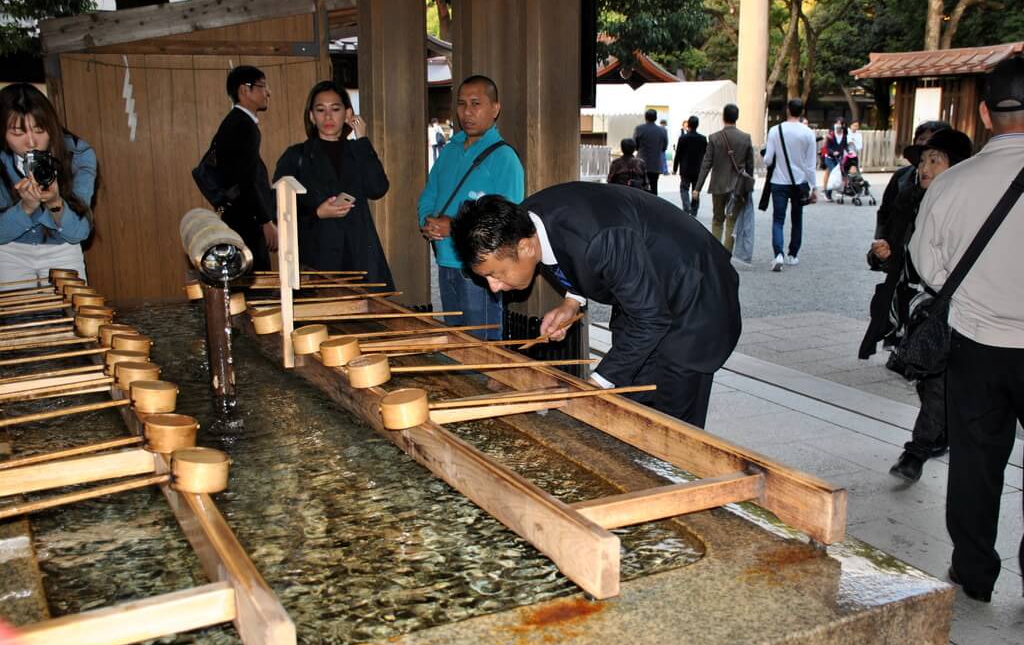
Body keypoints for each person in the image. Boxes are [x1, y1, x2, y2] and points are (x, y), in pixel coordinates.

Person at [450, 182, 741, 428]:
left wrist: (596, 383)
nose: (493, 287)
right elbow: (568, 255)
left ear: (525, 247)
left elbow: (650, 320)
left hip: (695, 296)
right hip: (646, 298)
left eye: (495, 274)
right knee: (632, 401)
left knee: (674, 422)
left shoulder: (599, 240)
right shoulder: (525, 223)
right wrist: (571, 302)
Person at [909, 55, 1024, 604]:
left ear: (982, 113)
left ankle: (974, 572)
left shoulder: (952, 182)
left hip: (976, 342)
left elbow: (927, 267)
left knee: (977, 464)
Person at [858, 127, 973, 483]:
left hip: (949, 309)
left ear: (955, 166)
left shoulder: (967, 208)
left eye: (934, 160)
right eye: (923, 160)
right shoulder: (910, 199)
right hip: (913, 307)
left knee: (936, 378)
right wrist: (881, 254)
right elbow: (891, 253)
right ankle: (941, 432)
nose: (924, 167)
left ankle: (916, 452)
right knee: (927, 378)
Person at [418, 75, 524, 339]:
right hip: (446, 262)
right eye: (462, 104)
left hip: (481, 269)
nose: (467, 112)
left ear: (495, 108)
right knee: (456, 345)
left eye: (476, 103)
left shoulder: (504, 157)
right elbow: (429, 194)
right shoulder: (450, 150)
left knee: (482, 349)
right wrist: (426, 220)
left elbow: (508, 221)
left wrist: (454, 226)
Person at [273, 81, 393, 288]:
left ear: (347, 114)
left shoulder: (358, 150)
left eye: (335, 109)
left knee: (364, 318)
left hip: (359, 252)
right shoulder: (296, 156)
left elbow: (377, 189)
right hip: (316, 253)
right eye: (321, 110)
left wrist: (362, 139)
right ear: (312, 116)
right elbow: (279, 206)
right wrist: (317, 213)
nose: (328, 117)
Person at [0, 83, 95, 285]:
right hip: (9, 249)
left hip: (62, 247)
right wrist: (25, 208)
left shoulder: (77, 154)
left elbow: (79, 232)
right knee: (18, 314)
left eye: (39, 130)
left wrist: (55, 203)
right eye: (18, 133)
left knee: (73, 311)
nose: (31, 142)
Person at [207, 65, 277, 271]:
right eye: (262, 86)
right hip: (247, 219)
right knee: (257, 284)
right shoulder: (243, 125)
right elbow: (247, 180)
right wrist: (266, 221)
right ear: (244, 91)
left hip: (238, 215)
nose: (268, 92)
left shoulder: (234, 122)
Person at [763, 98, 817, 272]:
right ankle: (792, 254)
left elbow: (768, 159)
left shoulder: (775, 130)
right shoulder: (808, 133)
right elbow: (810, 164)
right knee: (797, 219)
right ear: (802, 112)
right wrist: (814, 187)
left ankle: (778, 254)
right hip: (799, 182)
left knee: (778, 219)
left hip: (779, 181)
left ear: (787, 110)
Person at [692, 104, 753, 253]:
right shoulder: (745, 138)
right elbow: (750, 166)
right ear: (737, 117)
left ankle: (715, 252)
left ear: (723, 117)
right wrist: (749, 187)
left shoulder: (714, 138)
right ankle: (726, 254)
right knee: (732, 221)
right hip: (738, 187)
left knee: (717, 220)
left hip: (718, 185)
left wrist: (697, 188)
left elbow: (706, 164)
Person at [673, 116, 707, 217]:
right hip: (698, 169)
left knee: (684, 188)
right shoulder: (703, 138)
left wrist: (675, 168)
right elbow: (706, 153)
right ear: (697, 125)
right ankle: (694, 211)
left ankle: (686, 207)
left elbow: (678, 154)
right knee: (695, 190)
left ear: (688, 125)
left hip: (685, 169)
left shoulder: (683, 138)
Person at [633, 109, 667, 194]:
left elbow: (635, 145)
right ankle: (653, 205)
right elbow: (664, 147)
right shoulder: (662, 130)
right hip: (655, 163)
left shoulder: (639, 129)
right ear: (656, 118)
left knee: (641, 187)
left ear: (645, 117)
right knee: (654, 186)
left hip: (641, 162)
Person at [821, 117, 848, 200]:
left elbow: (844, 146)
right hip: (829, 157)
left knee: (839, 173)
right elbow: (826, 147)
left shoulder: (844, 135)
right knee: (833, 172)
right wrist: (832, 152)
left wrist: (847, 151)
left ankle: (837, 190)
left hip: (839, 158)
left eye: (840, 124)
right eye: (837, 123)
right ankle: (827, 193)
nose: (838, 125)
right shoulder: (830, 135)